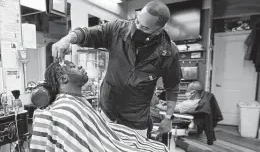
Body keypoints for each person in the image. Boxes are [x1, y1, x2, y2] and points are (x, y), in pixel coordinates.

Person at [51, 0, 182, 136]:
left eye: (145, 28)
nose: (137, 27)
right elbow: (89, 34)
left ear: (159, 30)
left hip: (135, 121)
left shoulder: (168, 52)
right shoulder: (118, 30)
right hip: (107, 113)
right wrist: (67, 39)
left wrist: (168, 118)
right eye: (137, 21)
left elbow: (173, 87)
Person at [29, 61, 168, 152]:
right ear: (64, 79)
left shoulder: (76, 100)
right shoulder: (66, 108)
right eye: (73, 66)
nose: (80, 66)